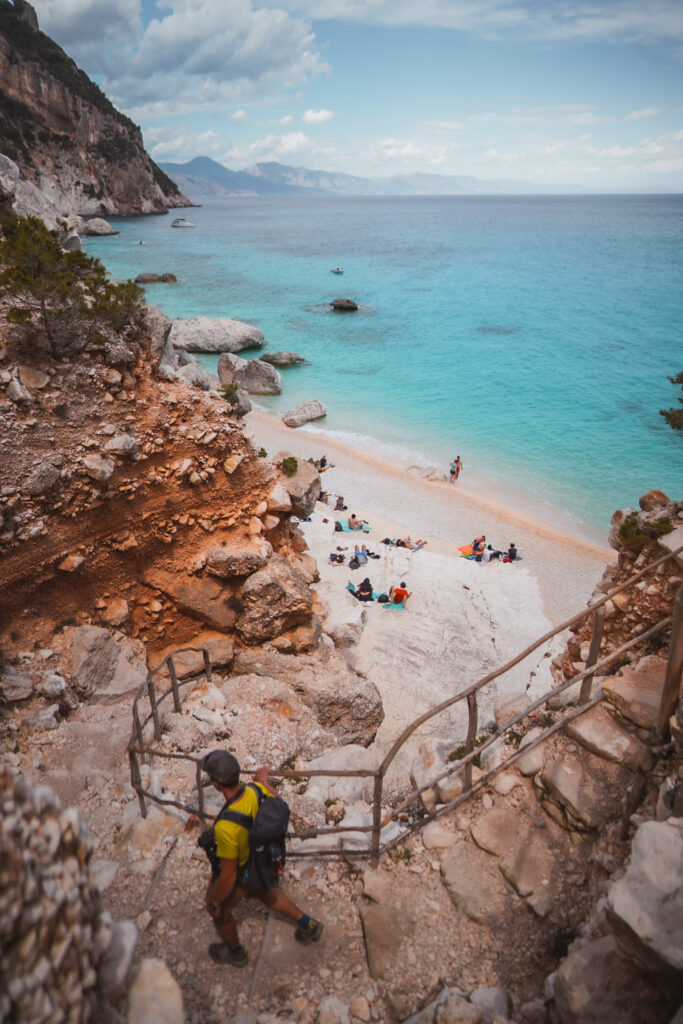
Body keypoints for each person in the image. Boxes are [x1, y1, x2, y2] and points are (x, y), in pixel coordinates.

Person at [201, 751, 323, 966]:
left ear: (217, 785)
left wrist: (216, 901)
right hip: (259, 863)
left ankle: (236, 953)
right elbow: (279, 802)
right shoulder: (254, 790)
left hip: (241, 872)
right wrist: (264, 783)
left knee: (219, 915)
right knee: (267, 894)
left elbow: (228, 877)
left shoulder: (226, 828)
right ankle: (308, 924)